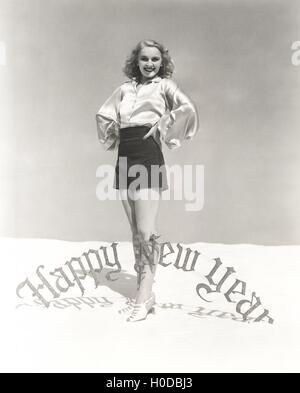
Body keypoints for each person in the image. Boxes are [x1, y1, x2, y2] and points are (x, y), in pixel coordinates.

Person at [96, 39, 199, 322]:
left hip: (148, 156)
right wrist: (116, 129)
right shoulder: (124, 90)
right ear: (136, 61)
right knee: (134, 230)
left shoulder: (165, 87)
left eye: (155, 59)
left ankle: (144, 295)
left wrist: (164, 123)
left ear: (162, 62)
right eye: (145, 59)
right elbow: (104, 116)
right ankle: (146, 290)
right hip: (125, 157)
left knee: (146, 230)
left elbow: (187, 108)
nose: (150, 64)